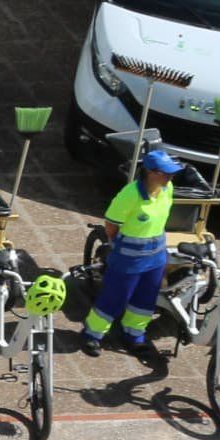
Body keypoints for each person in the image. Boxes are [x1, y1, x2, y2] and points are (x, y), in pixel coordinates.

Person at [82, 147, 182, 357]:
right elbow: (111, 225)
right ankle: (93, 334)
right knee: (115, 296)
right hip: (128, 258)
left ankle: (134, 333)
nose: (170, 176)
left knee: (146, 298)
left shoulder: (167, 188)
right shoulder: (130, 195)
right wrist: (118, 244)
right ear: (151, 172)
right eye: (166, 173)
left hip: (155, 257)